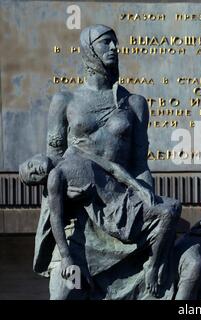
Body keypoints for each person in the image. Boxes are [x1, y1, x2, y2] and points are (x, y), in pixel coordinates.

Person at [28, 24, 181, 299]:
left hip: (120, 209)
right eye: (105, 43)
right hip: (77, 221)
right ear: (89, 50)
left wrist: (146, 200)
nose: (113, 48)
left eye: (115, 43)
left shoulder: (135, 103)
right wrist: (33, 169)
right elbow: (54, 157)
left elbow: (139, 164)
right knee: (65, 293)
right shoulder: (64, 101)